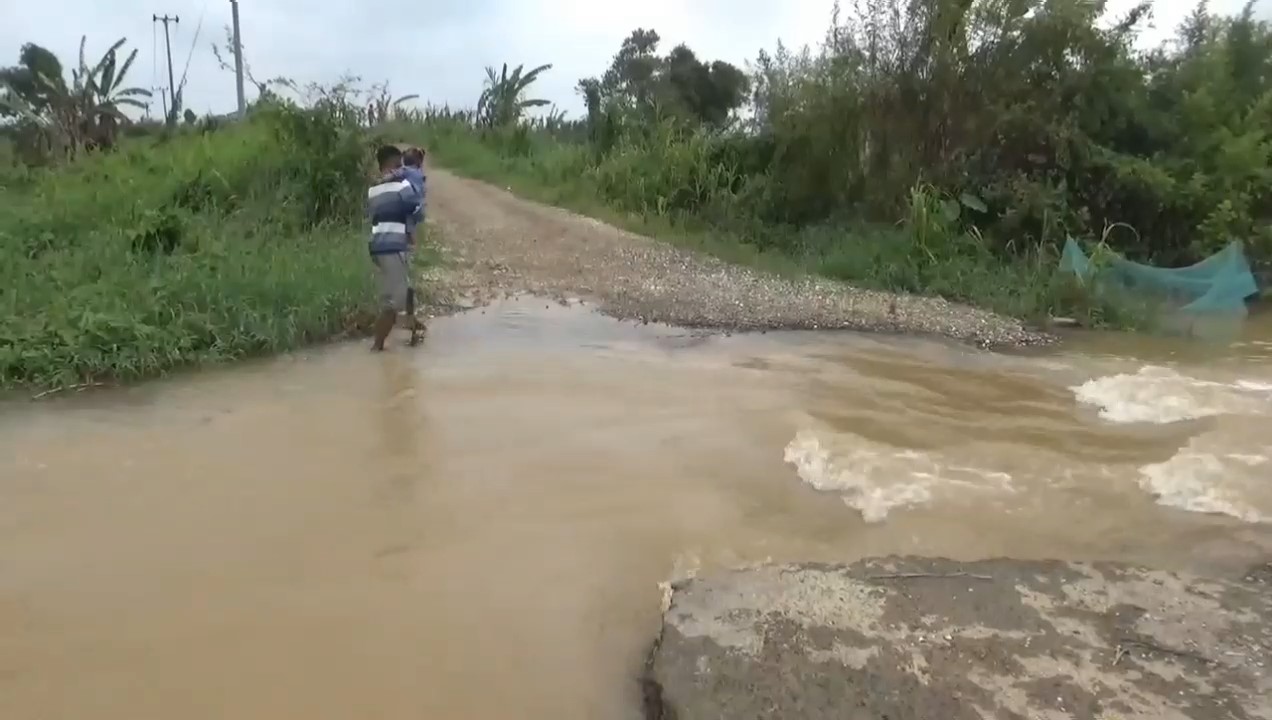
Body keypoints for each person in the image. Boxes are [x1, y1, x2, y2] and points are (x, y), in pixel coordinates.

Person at [367, 144, 424, 351]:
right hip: (393, 245)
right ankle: (377, 346)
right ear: (392, 165)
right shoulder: (402, 186)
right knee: (394, 301)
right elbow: (417, 209)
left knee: (406, 288)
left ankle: (412, 328)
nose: (402, 169)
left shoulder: (373, 189)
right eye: (399, 165)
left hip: (378, 245)